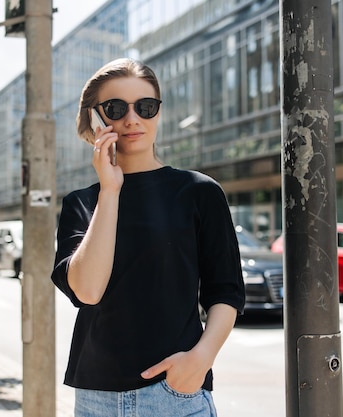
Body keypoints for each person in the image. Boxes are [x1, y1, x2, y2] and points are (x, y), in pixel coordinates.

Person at [51, 58, 245, 417]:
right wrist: (110, 191)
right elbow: (88, 290)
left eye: (145, 106)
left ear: (158, 112)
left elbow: (226, 291)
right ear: (95, 118)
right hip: (96, 399)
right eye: (115, 108)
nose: (132, 119)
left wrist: (199, 362)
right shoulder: (81, 203)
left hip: (176, 395)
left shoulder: (198, 191)